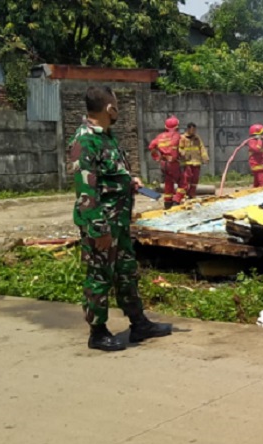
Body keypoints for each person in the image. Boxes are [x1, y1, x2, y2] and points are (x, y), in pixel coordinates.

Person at [68, 86, 172, 352]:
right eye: (116, 106)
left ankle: (139, 323)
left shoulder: (107, 137)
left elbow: (109, 175)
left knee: (127, 273)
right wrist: (98, 228)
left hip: (119, 222)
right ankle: (98, 332)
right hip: (101, 224)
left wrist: (130, 181)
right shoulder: (85, 141)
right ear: (109, 109)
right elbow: (86, 190)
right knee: (100, 276)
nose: (118, 111)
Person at [149, 116, 183, 209]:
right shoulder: (177, 136)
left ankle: (167, 203)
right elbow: (183, 149)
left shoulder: (159, 136)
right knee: (183, 182)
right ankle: (176, 200)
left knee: (168, 182)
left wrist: (157, 157)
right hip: (173, 163)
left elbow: (151, 147)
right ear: (176, 126)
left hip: (163, 164)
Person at [178, 122, 209, 199]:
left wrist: (205, 157)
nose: (194, 131)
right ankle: (184, 194)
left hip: (196, 162)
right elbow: (179, 148)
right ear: (188, 129)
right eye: (192, 130)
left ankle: (192, 193)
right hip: (187, 162)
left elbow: (202, 148)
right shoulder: (182, 138)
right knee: (186, 178)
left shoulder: (197, 138)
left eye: (195, 130)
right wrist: (182, 152)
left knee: (195, 179)